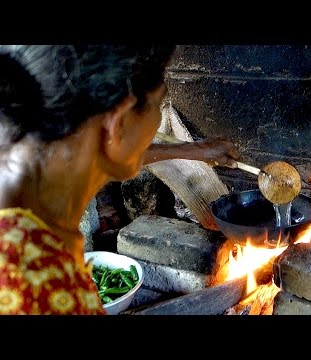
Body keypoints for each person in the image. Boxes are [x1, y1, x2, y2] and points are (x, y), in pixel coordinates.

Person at [0, 45, 240, 315]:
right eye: (158, 104)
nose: (158, 120)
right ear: (120, 122)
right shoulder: (41, 284)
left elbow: (108, 148)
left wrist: (193, 151)